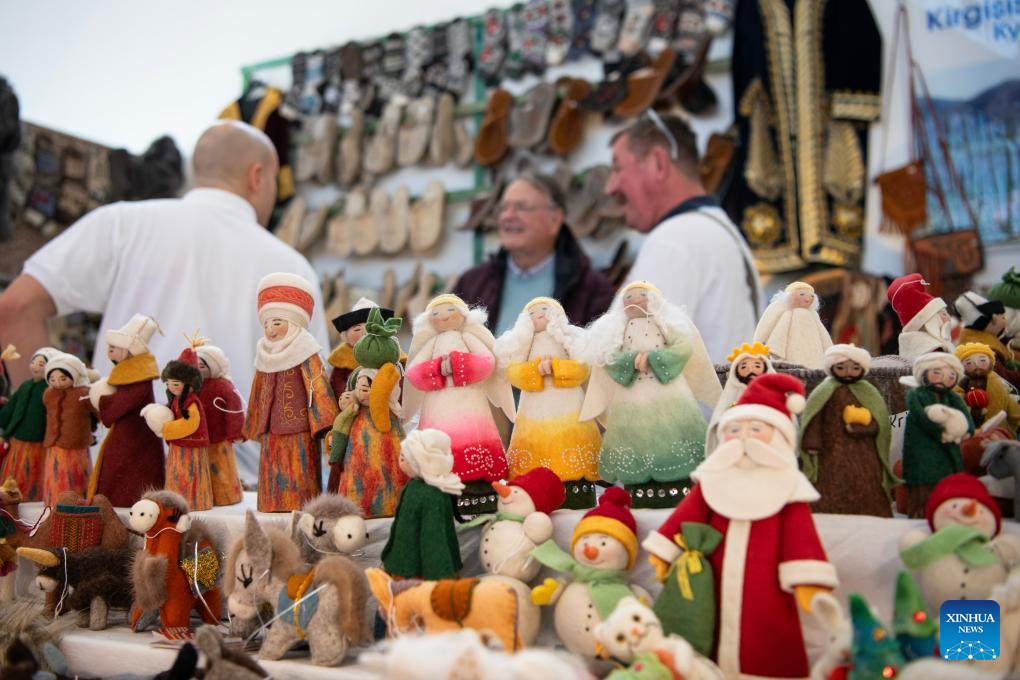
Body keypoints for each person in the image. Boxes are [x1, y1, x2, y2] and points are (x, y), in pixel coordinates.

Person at [0, 121, 329, 482]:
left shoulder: (122, 224)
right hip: (240, 496)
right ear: (257, 176)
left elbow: (14, 309)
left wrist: (51, 429)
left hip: (117, 484)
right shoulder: (292, 267)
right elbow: (314, 399)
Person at [605, 113, 762, 363]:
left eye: (617, 168)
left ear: (658, 163)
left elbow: (623, 359)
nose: (609, 187)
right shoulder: (714, 228)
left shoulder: (675, 239)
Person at [453, 172, 614, 336]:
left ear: (555, 220)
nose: (508, 216)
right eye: (503, 208)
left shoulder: (592, 290)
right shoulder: (471, 284)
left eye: (521, 207)